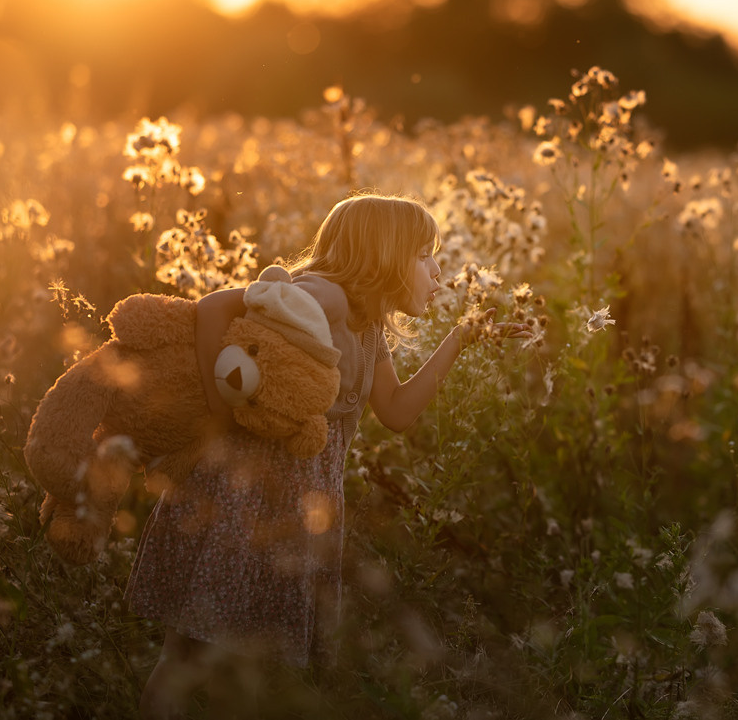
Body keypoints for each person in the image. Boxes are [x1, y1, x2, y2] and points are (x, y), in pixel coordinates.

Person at [127, 193, 527, 719]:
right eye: (424, 255)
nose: (436, 271)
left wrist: (462, 337)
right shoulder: (322, 297)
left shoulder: (367, 326)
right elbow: (215, 307)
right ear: (384, 255)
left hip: (294, 511)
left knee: (245, 666)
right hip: (242, 501)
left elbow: (398, 411)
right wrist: (217, 417)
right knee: (189, 656)